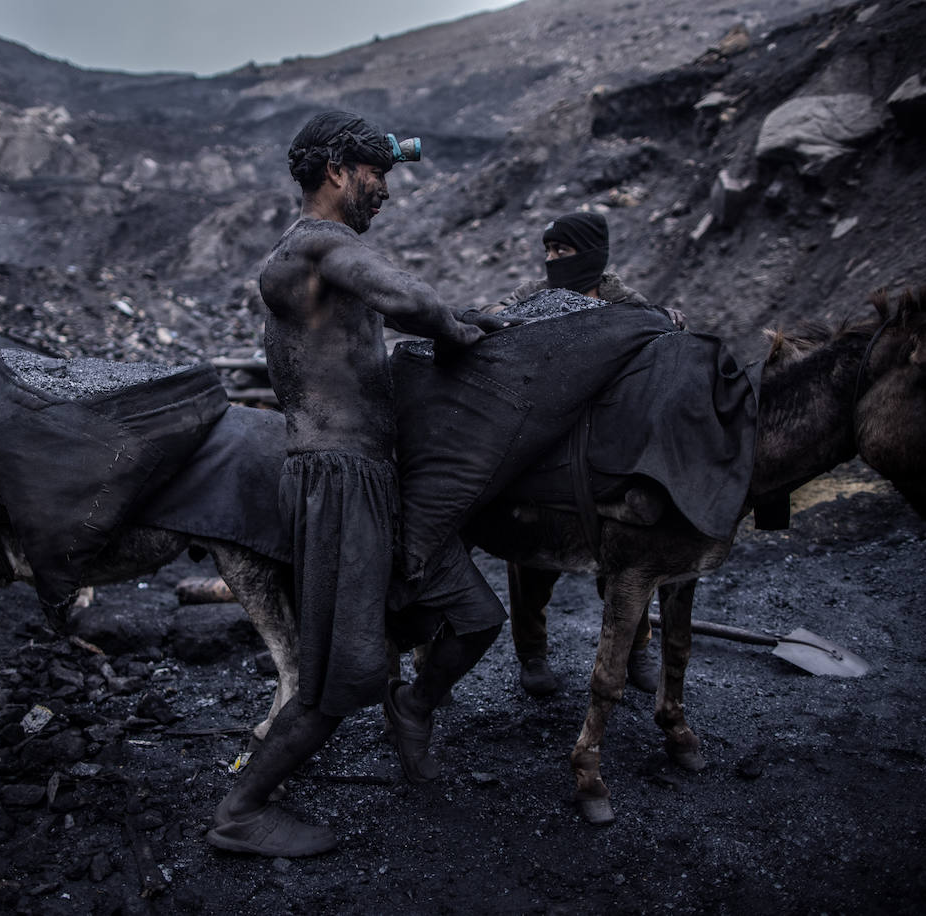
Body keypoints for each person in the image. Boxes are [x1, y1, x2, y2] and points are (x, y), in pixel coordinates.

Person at [207, 111, 509, 858]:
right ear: (340, 171)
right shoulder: (311, 247)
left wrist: (463, 317)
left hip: (379, 480)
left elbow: (394, 318)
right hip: (338, 483)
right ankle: (240, 811)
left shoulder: (328, 259)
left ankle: (411, 709)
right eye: (379, 176)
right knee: (340, 675)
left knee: (474, 614)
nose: (385, 193)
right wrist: (457, 326)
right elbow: (407, 301)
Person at [483, 211, 686, 698]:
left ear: (592, 254)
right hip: (547, 434)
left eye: (563, 252)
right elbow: (496, 313)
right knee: (532, 546)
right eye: (549, 251)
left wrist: (669, 319)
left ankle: (635, 648)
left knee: (624, 548)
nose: (553, 260)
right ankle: (532, 653)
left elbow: (661, 334)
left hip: (606, 441)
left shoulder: (623, 301)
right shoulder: (537, 293)